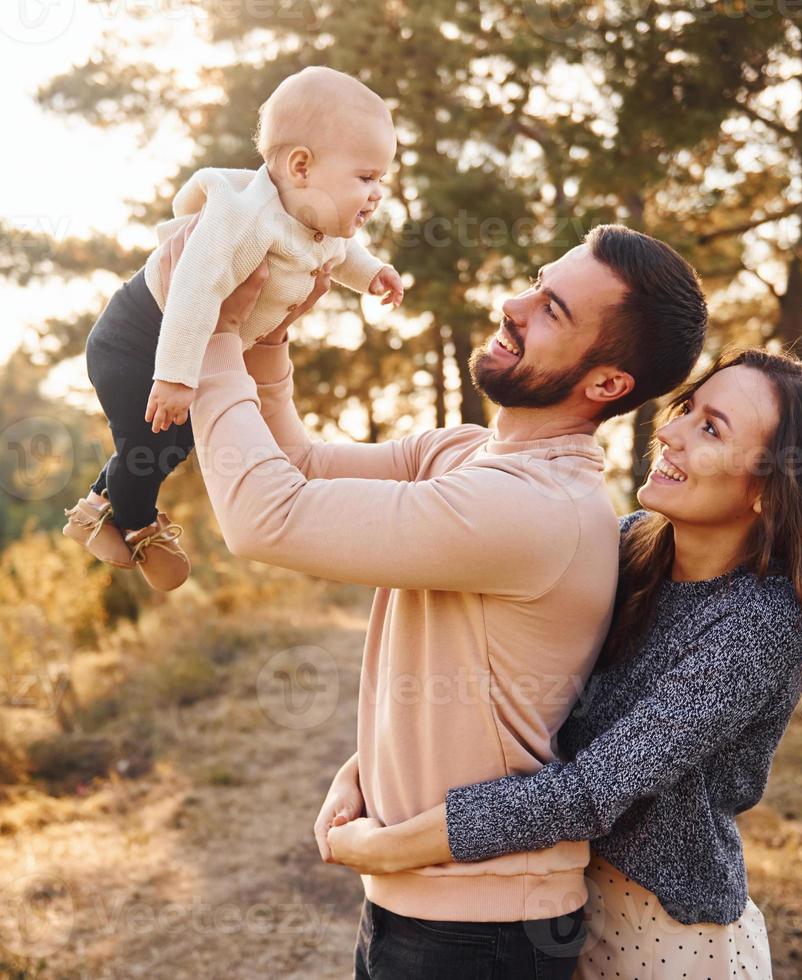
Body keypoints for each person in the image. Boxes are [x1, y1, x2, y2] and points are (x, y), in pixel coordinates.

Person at [159, 212, 709, 978]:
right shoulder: (465, 452)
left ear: (608, 384)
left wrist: (207, 330)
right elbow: (303, 466)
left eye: (553, 311)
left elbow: (266, 518)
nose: (515, 306)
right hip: (430, 906)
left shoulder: (534, 507)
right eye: (536, 285)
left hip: (479, 930)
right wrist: (264, 336)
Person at [324, 347, 802, 979]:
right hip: (555, 900)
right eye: (687, 410)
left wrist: (392, 847)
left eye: (711, 429)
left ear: (772, 491)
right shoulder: (629, 545)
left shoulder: (757, 625)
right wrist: (366, 767)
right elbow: (503, 686)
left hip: (663, 938)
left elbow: (590, 793)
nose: (668, 432)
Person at [61, 65, 404, 591]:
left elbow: (343, 252)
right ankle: (135, 522)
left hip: (180, 350)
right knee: (151, 445)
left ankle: (97, 509)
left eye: (381, 179)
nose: (377, 193)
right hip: (139, 338)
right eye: (366, 177)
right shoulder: (242, 218)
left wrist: (373, 274)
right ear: (301, 166)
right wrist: (174, 374)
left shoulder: (314, 221)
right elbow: (193, 287)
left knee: (176, 442)